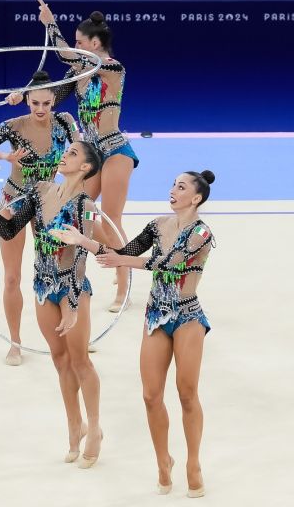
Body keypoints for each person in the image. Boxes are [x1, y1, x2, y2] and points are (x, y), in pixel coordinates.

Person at [50, 170, 216, 496]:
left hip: (188, 316)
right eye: (172, 184)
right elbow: (125, 249)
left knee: (186, 393)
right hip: (156, 316)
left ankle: (193, 462)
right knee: (151, 396)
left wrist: (122, 260)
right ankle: (162, 462)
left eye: (180, 187)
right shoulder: (158, 225)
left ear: (195, 198)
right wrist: (84, 241)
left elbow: (167, 263)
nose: (172, 190)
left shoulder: (202, 233)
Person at [0, 141, 104, 467]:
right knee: (59, 360)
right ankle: (75, 425)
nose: (65, 155)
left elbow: (82, 257)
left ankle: (95, 427)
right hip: (43, 286)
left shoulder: (85, 205)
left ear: (85, 167)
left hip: (71, 288)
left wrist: (73, 304)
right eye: (67, 151)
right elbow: (10, 228)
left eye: (73, 154)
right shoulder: (39, 190)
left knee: (80, 361)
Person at [0, 70, 79, 365]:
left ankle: (72, 334)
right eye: (34, 104)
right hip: (14, 201)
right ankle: (15, 343)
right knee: (13, 276)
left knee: (58, 272)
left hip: (47, 202)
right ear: (26, 101)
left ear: (54, 99)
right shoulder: (13, 126)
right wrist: (5, 157)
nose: (40, 110)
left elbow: (82, 151)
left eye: (46, 103)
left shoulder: (65, 123)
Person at [39, 5, 138, 311]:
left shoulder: (113, 68)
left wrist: (50, 25)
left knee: (110, 217)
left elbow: (64, 54)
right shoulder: (77, 72)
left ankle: (124, 284)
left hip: (115, 151)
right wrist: (26, 97)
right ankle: (116, 259)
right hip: (92, 154)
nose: (77, 47)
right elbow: (51, 97)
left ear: (95, 44)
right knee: (89, 218)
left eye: (80, 42)